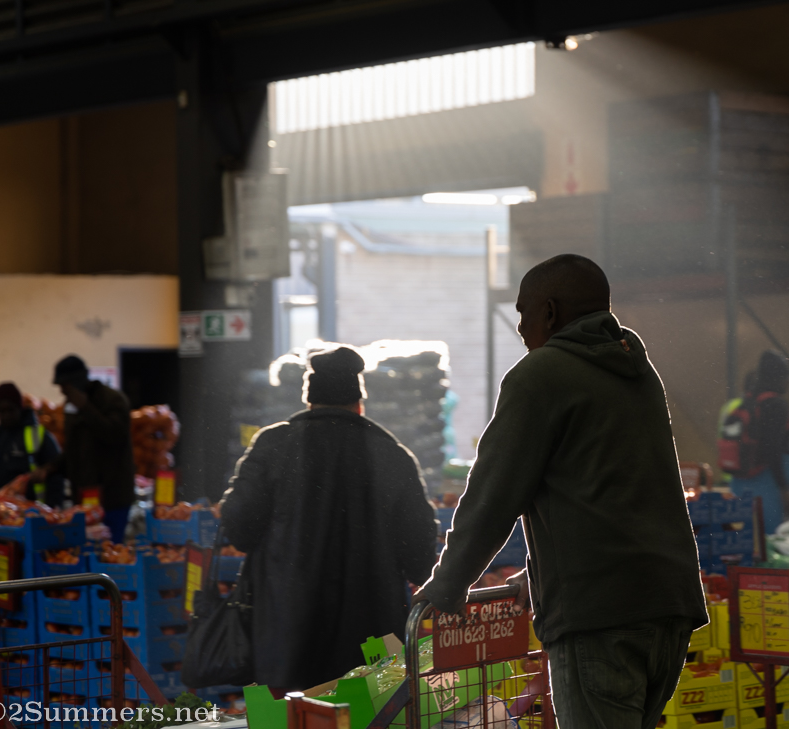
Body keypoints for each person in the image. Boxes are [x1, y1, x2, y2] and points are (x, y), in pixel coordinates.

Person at [415, 254, 708, 729]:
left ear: (550, 312)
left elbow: (493, 496)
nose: (520, 328)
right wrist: (539, 576)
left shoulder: (541, 377)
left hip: (599, 620)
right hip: (667, 610)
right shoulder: (636, 369)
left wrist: (449, 583)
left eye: (523, 313)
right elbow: (615, 492)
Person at [220, 346, 437, 692]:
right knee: (373, 717)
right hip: (373, 643)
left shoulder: (272, 445)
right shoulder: (393, 455)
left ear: (310, 400)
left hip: (285, 638)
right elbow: (421, 556)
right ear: (359, 402)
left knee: (294, 719)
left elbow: (238, 528)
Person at [34, 355, 135, 541]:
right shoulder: (71, 408)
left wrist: (86, 407)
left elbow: (114, 435)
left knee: (109, 552)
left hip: (112, 499)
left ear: (77, 381)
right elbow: (73, 450)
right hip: (84, 498)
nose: (63, 392)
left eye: (65, 386)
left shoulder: (113, 400)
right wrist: (51, 468)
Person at [729, 350, 789, 534]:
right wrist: (785, 490)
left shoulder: (747, 402)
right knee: (769, 542)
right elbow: (773, 450)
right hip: (767, 484)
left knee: (746, 538)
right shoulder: (776, 405)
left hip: (740, 483)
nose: (787, 382)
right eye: (786, 377)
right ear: (777, 378)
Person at [0, 382, 64, 506]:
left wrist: (51, 512)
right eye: (1, 411)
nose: (6, 416)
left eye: (11, 410)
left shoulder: (39, 436)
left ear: (19, 407)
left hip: (32, 516)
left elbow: (57, 475)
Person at [716, 371, 757, 484]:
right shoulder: (752, 409)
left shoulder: (729, 406)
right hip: (747, 474)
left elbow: (721, 435)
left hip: (728, 471)